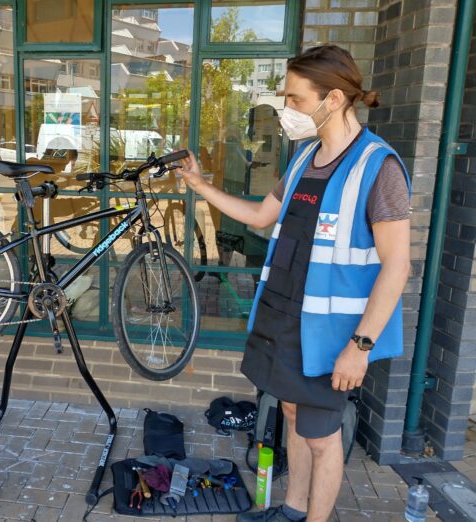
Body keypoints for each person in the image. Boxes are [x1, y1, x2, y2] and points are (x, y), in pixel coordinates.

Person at [179, 45, 411, 522]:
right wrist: (201, 187)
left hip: (332, 336)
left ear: (333, 99)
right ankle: (291, 509)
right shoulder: (306, 156)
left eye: (296, 99)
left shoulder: (378, 167)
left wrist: (360, 346)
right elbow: (263, 215)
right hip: (285, 318)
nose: (288, 109)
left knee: (322, 438)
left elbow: (397, 266)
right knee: (289, 416)